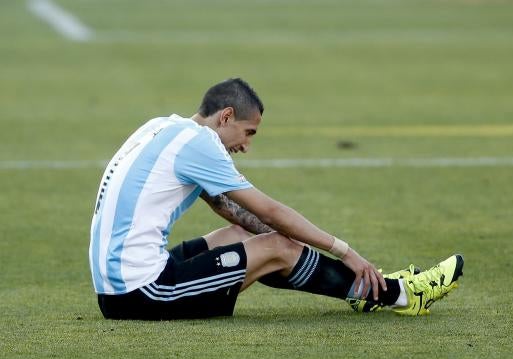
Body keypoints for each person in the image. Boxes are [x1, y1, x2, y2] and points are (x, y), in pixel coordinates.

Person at [88, 78, 464, 320]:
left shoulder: (163, 127)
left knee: (242, 235)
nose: (246, 147)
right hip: (141, 292)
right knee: (276, 247)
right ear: (227, 116)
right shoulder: (200, 144)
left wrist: (294, 243)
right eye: (247, 133)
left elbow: (227, 209)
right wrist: (343, 250)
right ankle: (399, 295)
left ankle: (367, 286)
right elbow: (269, 211)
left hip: (115, 286)